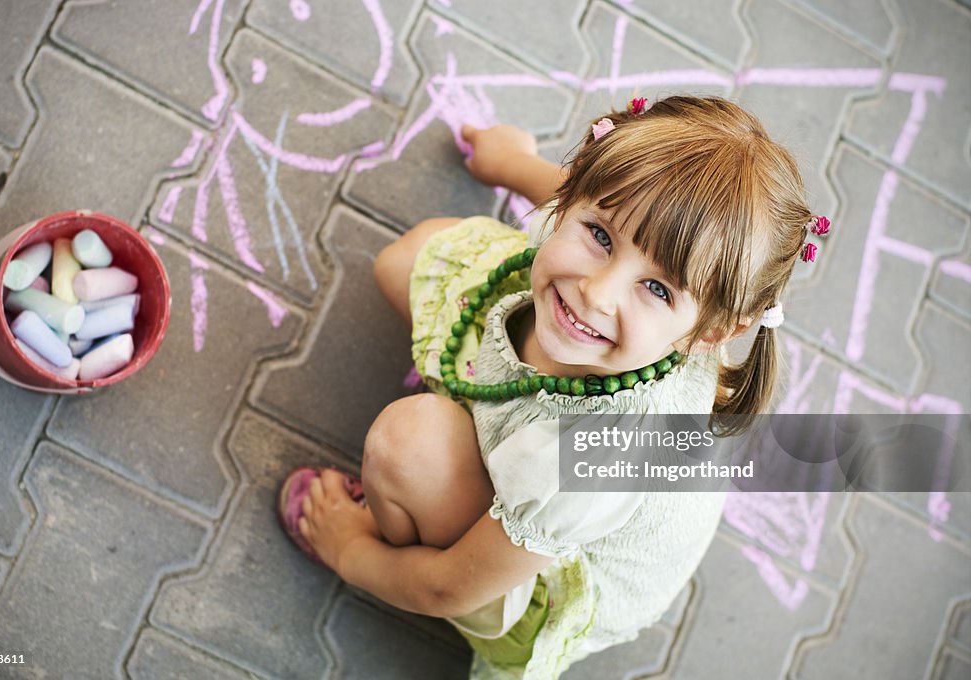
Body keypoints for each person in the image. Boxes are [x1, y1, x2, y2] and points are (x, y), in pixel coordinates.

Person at [277, 95, 827, 678]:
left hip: (538, 573)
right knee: (408, 257)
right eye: (599, 235)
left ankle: (401, 526)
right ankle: (477, 411)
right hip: (549, 424)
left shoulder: (603, 457)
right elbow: (596, 197)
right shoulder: (617, 272)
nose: (598, 291)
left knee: (407, 444)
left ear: (714, 332)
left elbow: (447, 590)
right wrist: (511, 162)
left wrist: (351, 552)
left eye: (658, 290)